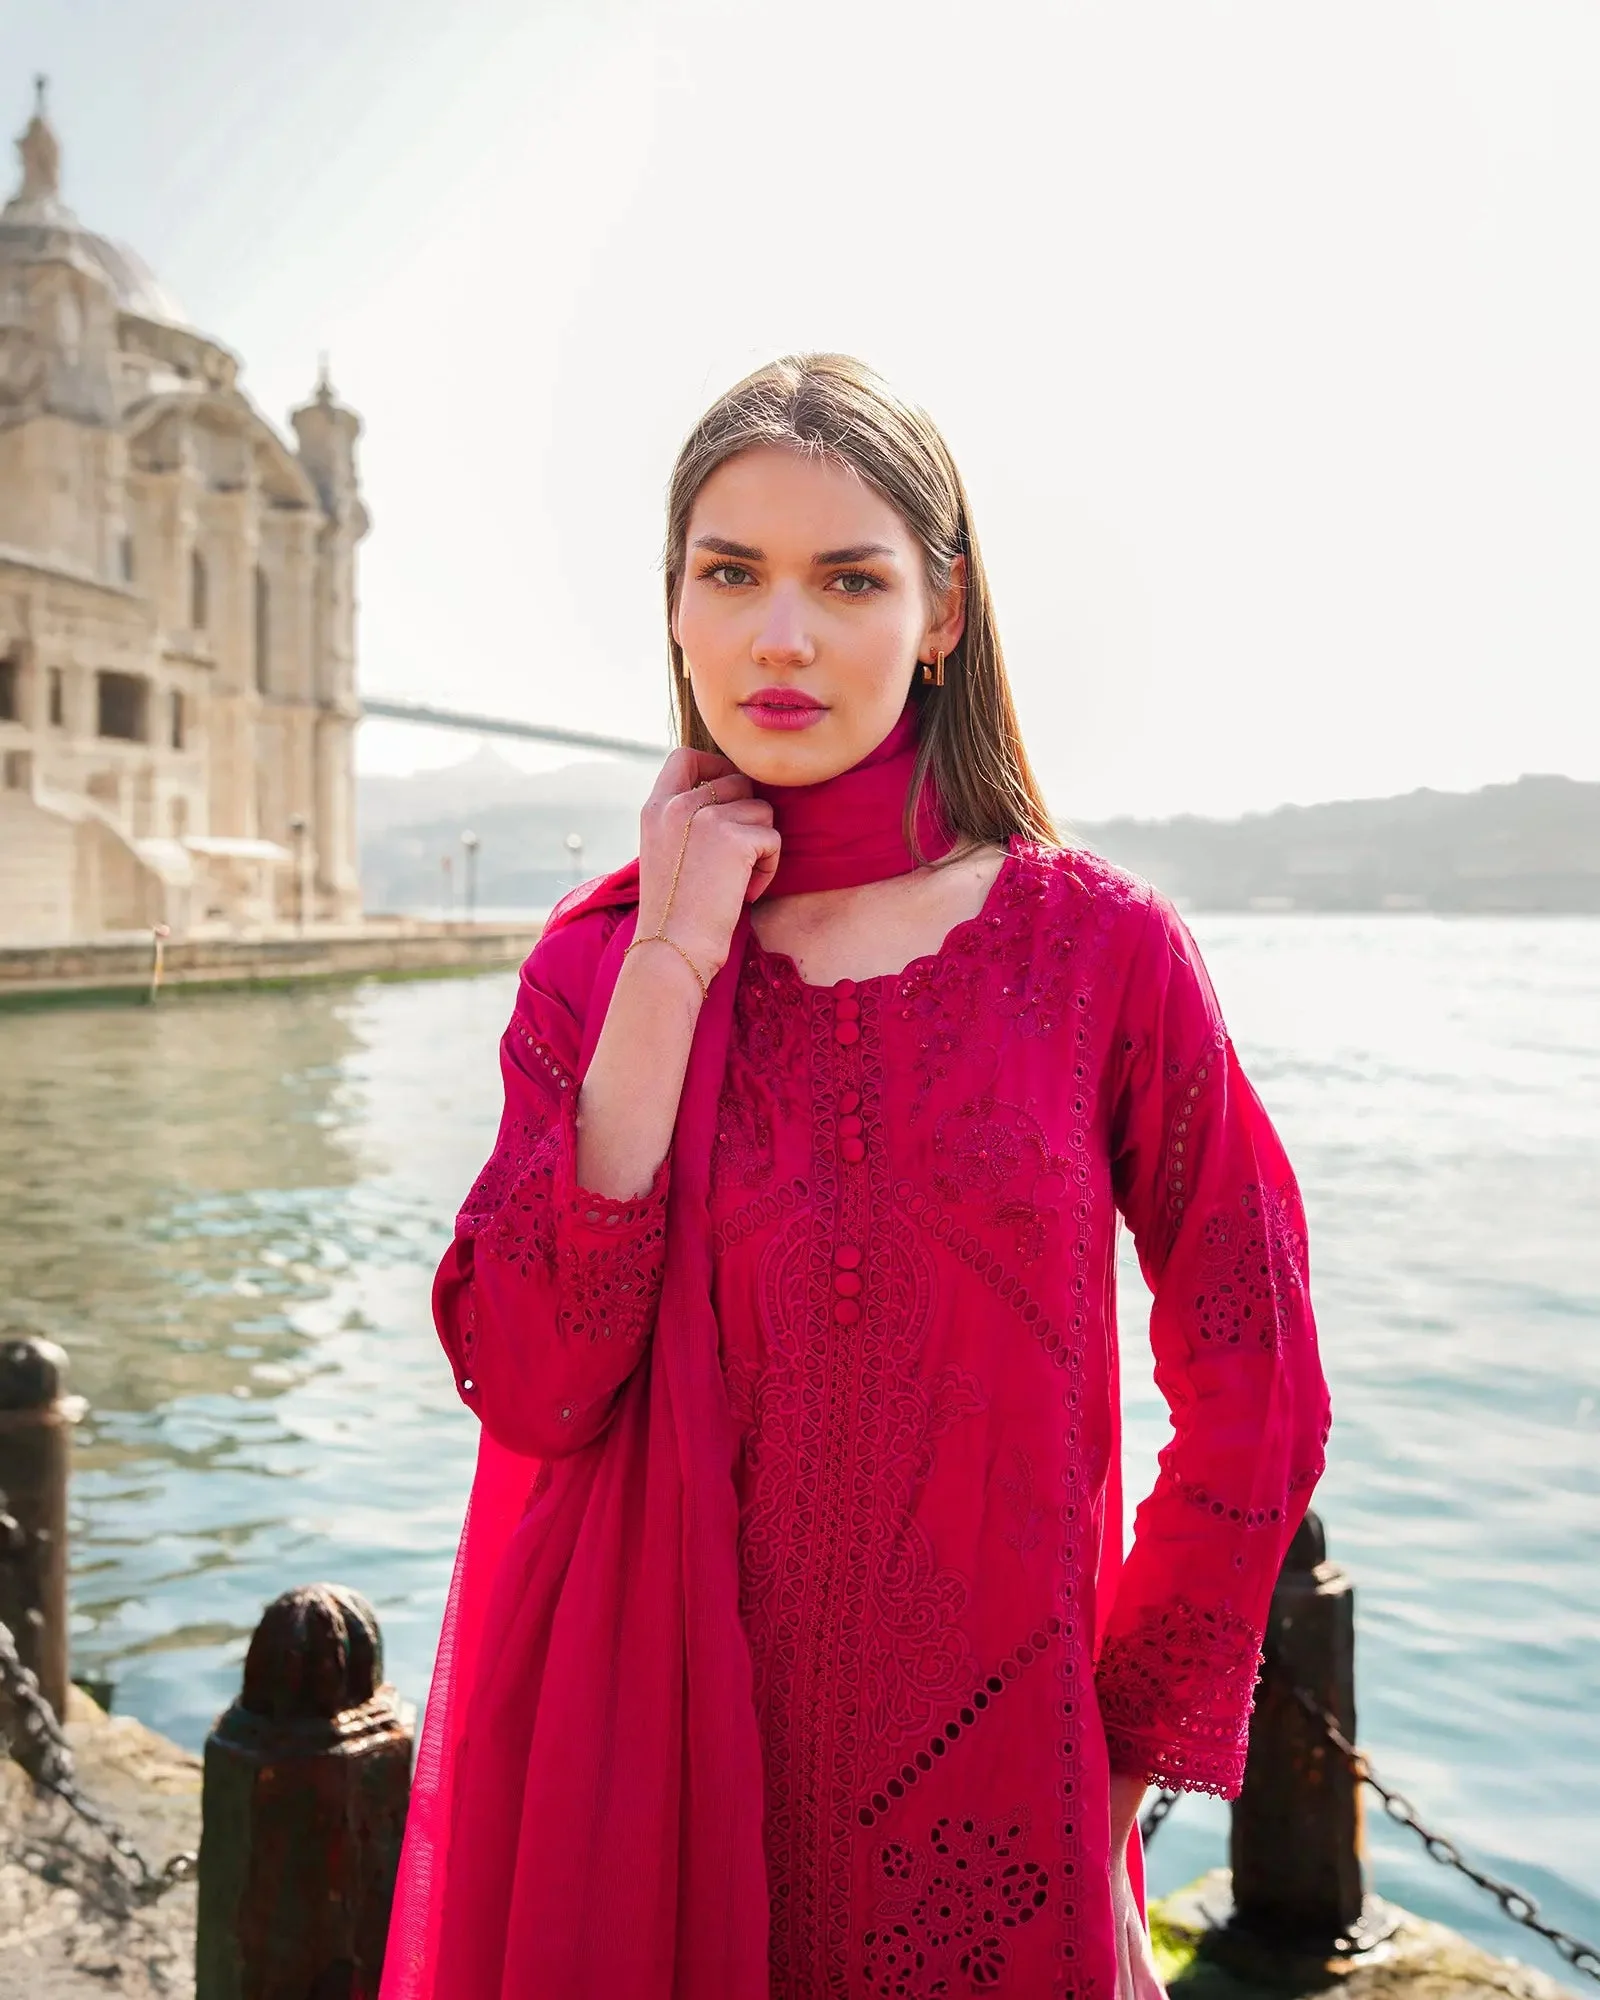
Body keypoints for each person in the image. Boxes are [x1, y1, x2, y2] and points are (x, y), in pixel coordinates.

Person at [380, 354, 1333, 2000]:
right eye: (730, 573)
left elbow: (1261, 1378)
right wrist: (673, 961)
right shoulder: (594, 969)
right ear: (674, 606)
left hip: (995, 1805)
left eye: (849, 579)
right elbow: (534, 1380)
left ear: (942, 613)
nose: (783, 636)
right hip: (638, 1811)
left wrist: (1112, 1769)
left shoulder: (1098, 951)